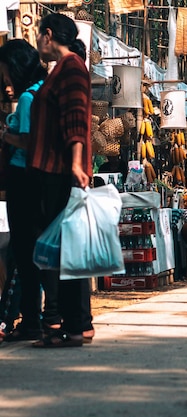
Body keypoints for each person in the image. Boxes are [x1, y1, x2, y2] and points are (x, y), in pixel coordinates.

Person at [28, 13, 93, 347]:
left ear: (48, 35)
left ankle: (73, 325)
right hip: (53, 170)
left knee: (64, 251)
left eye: (39, 36)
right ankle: (75, 323)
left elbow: (76, 118)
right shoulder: (64, 70)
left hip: (60, 171)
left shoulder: (70, 69)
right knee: (65, 250)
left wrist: (77, 165)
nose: (38, 42)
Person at [0, 39, 48, 342]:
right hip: (32, 182)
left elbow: (31, 142)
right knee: (29, 255)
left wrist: (7, 136)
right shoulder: (41, 91)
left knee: (24, 253)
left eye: (6, 76)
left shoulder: (30, 98)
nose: (5, 85)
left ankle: (31, 319)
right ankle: (33, 317)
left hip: (23, 179)